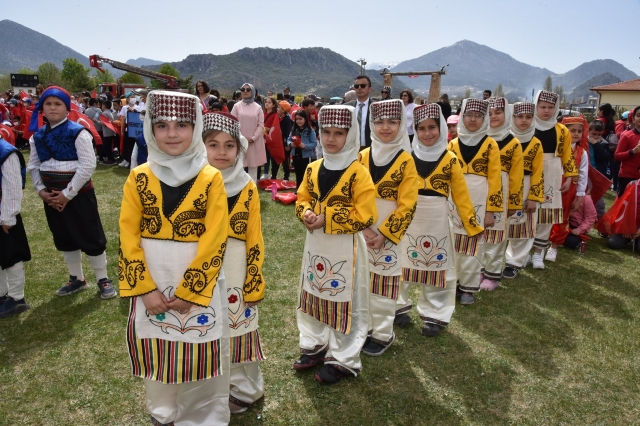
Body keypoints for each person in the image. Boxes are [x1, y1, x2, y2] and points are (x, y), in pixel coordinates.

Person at [118, 91, 231, 425]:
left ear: (195, 128)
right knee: (157, 347)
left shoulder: (211, 178)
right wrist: (145, 290)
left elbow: (214, 240)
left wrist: (190, 293)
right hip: (151, 279)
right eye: (162, 124)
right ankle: (162, 411)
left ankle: (202, 415)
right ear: (150, 128)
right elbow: (128, 238)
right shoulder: (138, 177)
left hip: (197, 284)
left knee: (199, 349)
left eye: (182, 124)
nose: (171, 133)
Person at [294, 105, 377, 385]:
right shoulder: (313, 167)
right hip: (316, 244)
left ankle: (343, 357)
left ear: (350, 134)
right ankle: (315, 344)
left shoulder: (358, 172)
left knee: (346, 299)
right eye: (326, 132)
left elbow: (366, 215)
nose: (331, 139)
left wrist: (326, 218)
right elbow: (302, 197)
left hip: (346, 247)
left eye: (339, 133)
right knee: (314, 292)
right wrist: (305, 213)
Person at [396, 103, 484, 336]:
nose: (427, 133)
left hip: (437, 218)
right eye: (421, 128)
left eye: (432, 127)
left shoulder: (450, 159)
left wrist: (472, 225)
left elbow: (461, 196)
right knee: (401, 263)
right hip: (409, 219)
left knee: (437, 267)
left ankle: (435, 314)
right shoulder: (406, 158)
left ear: (441, 128)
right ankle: (397, 306)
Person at [202, 111, 266, 414]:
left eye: (230, 145)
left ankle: (244, 387)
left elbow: (254, 236)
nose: (222, 152)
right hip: (201, 266)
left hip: (237, 265)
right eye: (213, 145)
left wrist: (253, 277)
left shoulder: (247, 186)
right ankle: (208, 385)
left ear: (240, 149)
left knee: (239, 325)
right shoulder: (192, 182)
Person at [26, 86, 115, 299]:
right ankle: (77, 278)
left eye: (58, 104)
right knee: (64, 235)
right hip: (51, 197)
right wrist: (41, 191)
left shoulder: (78, 132)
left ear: (67, 108)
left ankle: (103, 279)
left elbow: (87, 165)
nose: (53, 108)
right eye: (48, 104)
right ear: (42, 108)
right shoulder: (37, 137)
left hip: (78, 195)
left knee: (90, 235)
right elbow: (33, 166)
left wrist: (68, 193)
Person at [357, 99, 418, 356]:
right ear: (371, 124)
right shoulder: (362, 156)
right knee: (361, 280)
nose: (385, 127)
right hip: (362, 230)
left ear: (402, 124)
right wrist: (362, 227)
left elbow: (408, 204)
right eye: (379, 121)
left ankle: (382, 333)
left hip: (388, 233)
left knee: (383, 282)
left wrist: (385, 234)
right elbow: (352, 194)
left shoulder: (406, 160)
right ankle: (363, 327)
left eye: (392, 122)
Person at [447, 98, 502, 305]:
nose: (472, 119)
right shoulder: (452, 144)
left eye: (478, 116)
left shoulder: (490, 145)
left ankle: (468, 286)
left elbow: (496, 181)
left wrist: (491, 211)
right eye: (468, 115)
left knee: (472, 246)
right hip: (454, 201)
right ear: (462, 117)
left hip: (480, 200)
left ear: (484, 118)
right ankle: (452, 283)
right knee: (453, 245)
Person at [528, 90, 577, 269]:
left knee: (546, 215)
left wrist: (570, 178)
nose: (546, 111)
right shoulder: (527, 126)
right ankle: (522, 251)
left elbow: (568, 156)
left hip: (552, 173)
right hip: (529, 172)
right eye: (542, 107)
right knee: (525, 213)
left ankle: (538, 253)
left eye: (550, 107)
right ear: (536, 106)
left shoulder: (561, 130)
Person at [479, 98, 523, 290]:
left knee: (497, 234)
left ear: (507, 115)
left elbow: (517, 175)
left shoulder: (512, 143)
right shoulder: (478, 138)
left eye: (498, 112)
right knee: (479, 233)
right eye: (489, 113)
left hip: (502, 193)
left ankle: (492, 273)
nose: (493, 116)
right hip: (479, 192)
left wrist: (514, 202)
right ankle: (478, 268)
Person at [503, 102, 544, 279]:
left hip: (527, 185)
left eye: (528, 117)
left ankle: (515, 262)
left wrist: (534, 197)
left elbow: (538, 172)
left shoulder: (536, 143)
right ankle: (496, 259)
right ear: (512, 118)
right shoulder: (504, 139)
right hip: (506, 184)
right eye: (520, 117)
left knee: (523, 225)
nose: (524, 121)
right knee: (503, 222)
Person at [546, 116, 589, 262]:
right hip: (551, 184)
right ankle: (538, 243)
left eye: (579, 131)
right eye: (572, 131)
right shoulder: (553, 146)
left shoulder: (582, 153)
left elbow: (583, 175)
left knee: (561, 216)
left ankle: (554, 247)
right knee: (544, 213)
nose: (576, 134)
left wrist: (580, 196)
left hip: (569, 189)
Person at [0, 134, 31, 318]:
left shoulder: (6, 152)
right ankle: (2, 293)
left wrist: (8, 217)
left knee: (11, 255)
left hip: (4, 214)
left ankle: (17, 298)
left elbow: (12, 185)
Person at [231, 83, 265, 182]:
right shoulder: (236, 106)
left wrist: (253, 138)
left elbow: (260, 124)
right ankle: (239, 190)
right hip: (240, 140)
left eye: (248, 89)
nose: (245, 91)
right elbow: (233, 122)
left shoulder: (258, 107)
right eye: (243, 89)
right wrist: (241, 137)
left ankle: (252, 190)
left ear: (253, 92)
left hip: (254, 141)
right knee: (239, 166)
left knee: (253, 167)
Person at [613, 105, 640, 197]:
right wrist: (632, 152)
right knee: (624, 206)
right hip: (628, 177)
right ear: (633, 118)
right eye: (639, 115)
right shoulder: (627, 136)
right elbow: (617, 156)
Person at [287, 110, 316, 189]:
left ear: (305, 119)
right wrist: (290, 144)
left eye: (300, 119)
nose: (298, 121)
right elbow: (289, 139)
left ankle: (306, 191)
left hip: (306, 156)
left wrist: (305, 146)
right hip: (296, 154)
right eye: (297, 119)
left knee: (306, 174)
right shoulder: (294, 129)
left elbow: (314, 143)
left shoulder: (310, 130)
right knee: (298, 173)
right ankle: (298, 190)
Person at [346, 75, 374, 149]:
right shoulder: (347, 107)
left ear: (370, 89)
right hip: (351, 148)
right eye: (356, 86)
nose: (359, 88)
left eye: (363, 86)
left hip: (370, 148)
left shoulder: (375, 107)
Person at [271, 100, 293, 181]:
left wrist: (287, 144)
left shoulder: (287, 121)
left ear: (283, 110)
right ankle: (273, 176)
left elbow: (288, 133)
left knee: (285, 161)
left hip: (284, 145)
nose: (277, 109)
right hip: (277, 143)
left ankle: (286, 177)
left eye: (279, 107)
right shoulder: (278, 118)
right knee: (275, 159)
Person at [99, 100, 117, 165]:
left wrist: (97, 121)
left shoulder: (104, 113)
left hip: (107, 132)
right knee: (108, 147)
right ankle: (109, 158)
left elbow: (104, 123)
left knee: (105, 147)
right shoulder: (110, 112)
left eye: (102, 105)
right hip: (111, 131)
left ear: (104, 106)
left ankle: (111, 159)